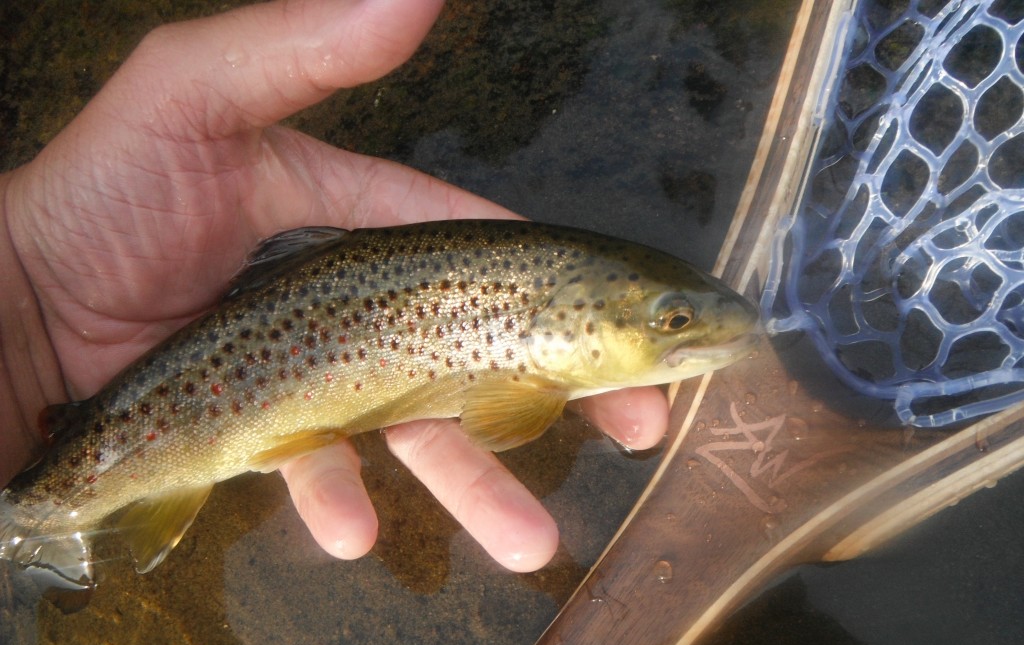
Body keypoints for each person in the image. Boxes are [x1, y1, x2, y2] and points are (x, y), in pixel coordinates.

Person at [0, 0, 669, 573]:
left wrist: (20, 262)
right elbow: (504, 419)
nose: (681, 333)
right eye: (671, 321)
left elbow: (503, 416)